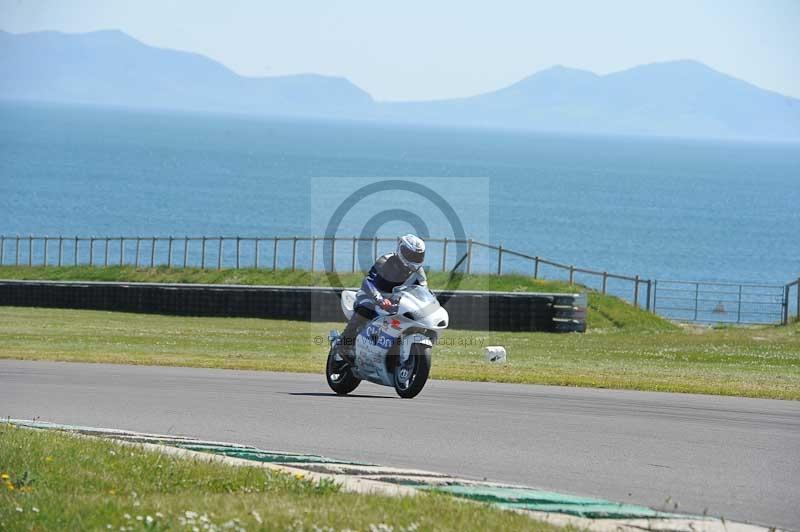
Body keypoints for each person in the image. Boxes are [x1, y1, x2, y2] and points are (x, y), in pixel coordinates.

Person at [337, 234, 427, 362]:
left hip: (398, 303)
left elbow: (423, 291)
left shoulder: (419, 272)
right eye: (411, 255)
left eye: (418, 256)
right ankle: (344, 345)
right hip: (372, 295)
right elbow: (368, 281)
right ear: (402, 250)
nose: (414, 259)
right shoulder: (386, 260)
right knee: (366, 307)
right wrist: (379, 298)